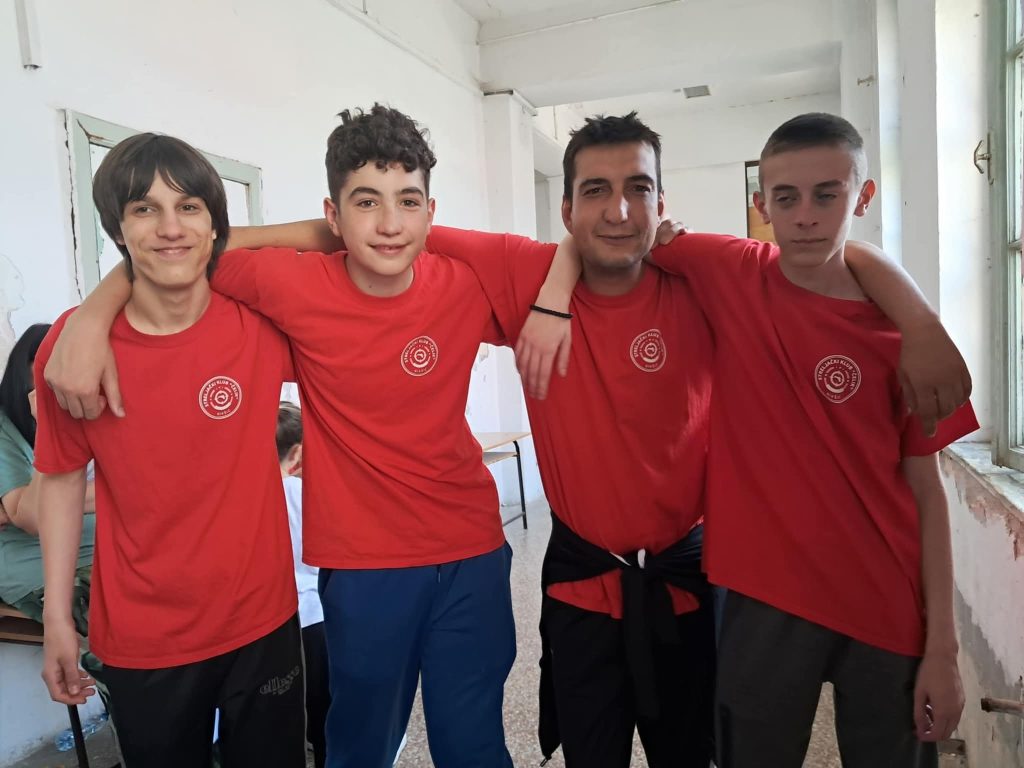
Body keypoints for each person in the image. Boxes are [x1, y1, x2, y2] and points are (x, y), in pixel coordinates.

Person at [637, 112, 975, 767]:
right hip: (763, 596)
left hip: (886, 598)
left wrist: (944, 647)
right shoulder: (731, 271)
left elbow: (927, 494)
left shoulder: (902, 340)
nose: (806, 217)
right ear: (761, 205)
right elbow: (641, 240)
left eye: (828, 195)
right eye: (786, 198)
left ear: (863, 197)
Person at [33, 133, 305, 768]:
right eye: (144, 210)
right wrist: (56, 618)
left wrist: (103, 298)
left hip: (262, 617)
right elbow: (62, 479)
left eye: (189, 207)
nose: (170, 228)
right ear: (117, 229)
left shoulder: (261, 324)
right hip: (144, 634)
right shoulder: (73, 353)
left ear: (215, 223)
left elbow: (339, 237)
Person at [0, 323, 94, 631]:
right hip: (40, 570)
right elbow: (33, 517)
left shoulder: (95, 411)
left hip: (111, 555)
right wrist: (48, 428)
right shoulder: (6, 430)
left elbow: (143, 490)